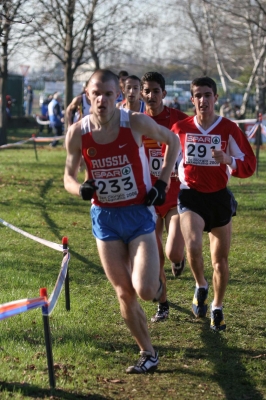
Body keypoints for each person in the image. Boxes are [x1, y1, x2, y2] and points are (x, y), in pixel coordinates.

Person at [64, 69, 180, 373]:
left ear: (119, 95)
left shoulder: (136, 122)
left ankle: (157, 287)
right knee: (123, 292)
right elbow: (67, 176)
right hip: (105, 218)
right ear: (87, 95)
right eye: (95, 93)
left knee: (143, 289)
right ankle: (148, 353)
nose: (102, 99)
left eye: (108, 93)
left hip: (139, 213)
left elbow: (173, 142)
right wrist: (80, 189)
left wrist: (163, 183)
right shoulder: (78, 132)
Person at [172, 76, 256, 331]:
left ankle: (217, 307)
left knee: (220, 260)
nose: (202, 100)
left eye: (207, 95)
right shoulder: (181, 128)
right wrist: (172, 171)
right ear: (192, 99)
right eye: (198, 95)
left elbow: (249, 165)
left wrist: (228, 159)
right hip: (191, 195)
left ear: (215, 98)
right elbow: (168, 158)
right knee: (194, 247)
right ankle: (201, 285)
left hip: (219, 197)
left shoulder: (229, 129)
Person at [140, 71, 188, 322]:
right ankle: (163, 305)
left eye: (155, 91)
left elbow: (198, 136)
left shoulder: (179, 120)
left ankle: (179, 261)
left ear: (164, 93)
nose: (151, 96)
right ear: (141, 93)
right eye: (146, 91)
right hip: (148, 196)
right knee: (155, 254)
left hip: (174, 194)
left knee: (173, 253)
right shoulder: (135, 121)